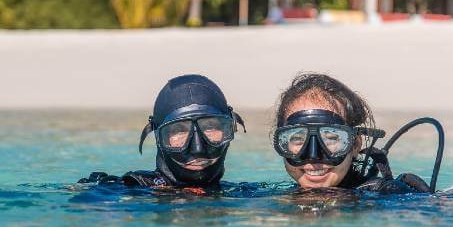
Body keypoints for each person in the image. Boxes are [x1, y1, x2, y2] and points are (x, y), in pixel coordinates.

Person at [272, 73, 431, 193]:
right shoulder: (265, 198)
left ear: (354, 145)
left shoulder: (384, 199)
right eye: (298, 139)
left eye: (331, 138)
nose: (313, 155)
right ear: (283, 145)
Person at [79, 74, 244, 189]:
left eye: (210, 127)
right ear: (158, 138)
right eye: (179, 131)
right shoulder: (126, 190)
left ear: (231, 129)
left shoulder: (243, 195)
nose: (197, 149)